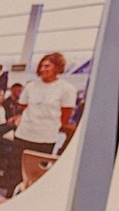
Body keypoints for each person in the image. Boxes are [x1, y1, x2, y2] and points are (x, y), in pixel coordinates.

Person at [14, 51, 78, 191]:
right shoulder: (31, 86)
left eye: (47, 66)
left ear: (58, 67)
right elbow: (23, 105)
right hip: (23, 134)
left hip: (45, 137)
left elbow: (66, 114)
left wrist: (49, 123)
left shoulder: (66, 89)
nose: (43, 69)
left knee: (36, 175)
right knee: (15, 171)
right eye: (41, 66)